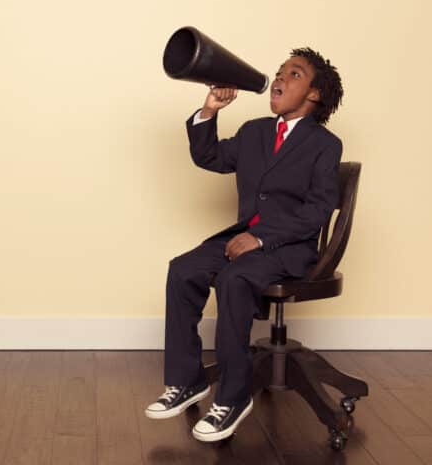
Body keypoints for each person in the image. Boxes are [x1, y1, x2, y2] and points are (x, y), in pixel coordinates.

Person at [144, 47, 344, 442]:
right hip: (243, 240)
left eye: (295, 74)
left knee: (234, 279)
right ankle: (187, 381)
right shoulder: (255, 131)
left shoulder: (325, 144)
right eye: (280, 71)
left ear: (315, 94)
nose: (280, 78)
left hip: (288, 248)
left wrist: (262, 237)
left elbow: (318, 211)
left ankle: (233, 399)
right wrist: (210, 111)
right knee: (183, 270)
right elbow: (210, 157)